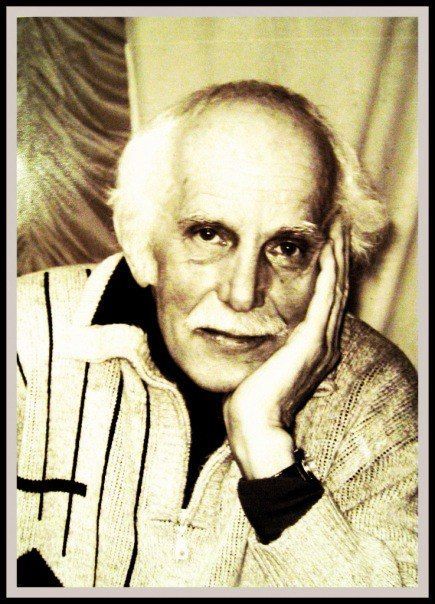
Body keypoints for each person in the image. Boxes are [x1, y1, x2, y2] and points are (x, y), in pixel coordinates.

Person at [16, 80, 418, 588]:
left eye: (288, 247)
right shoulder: (25, 337)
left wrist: (271, 462)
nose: (243, 293)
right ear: (140, 241)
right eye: (209, 235)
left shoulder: (376, 396)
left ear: (331, 258)